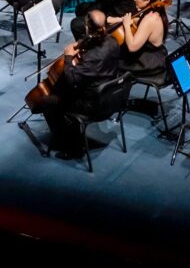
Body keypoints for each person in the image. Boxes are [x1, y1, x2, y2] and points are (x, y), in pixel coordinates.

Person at [33, 9, 123, 159]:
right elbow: (93, 42)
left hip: (93, 104)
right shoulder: (112, 41)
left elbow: (71, 79)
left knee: (49, 101)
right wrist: (80, 45)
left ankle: (72, 148)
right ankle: (71, 133)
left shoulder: (92, 58)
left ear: (87, 26)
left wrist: (68, 58)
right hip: (112, 96)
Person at [110, 0, 168, 79]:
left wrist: (127, 26)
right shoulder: (153, 11)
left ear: (147, 0)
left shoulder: (150, 19)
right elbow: (137, 20)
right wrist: (119, 19)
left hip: (148, 61)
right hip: (152, 54)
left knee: (112, 60)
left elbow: (132, 47)